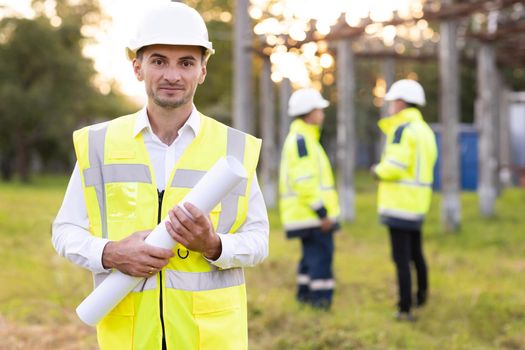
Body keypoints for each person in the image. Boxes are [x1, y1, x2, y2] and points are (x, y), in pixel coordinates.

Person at [51, 3, 269, 349]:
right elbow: (65, 231)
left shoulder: (233, 150)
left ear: (202, 70)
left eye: (186, 62)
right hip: (132, 334)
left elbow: (258, 240)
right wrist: (110, 253)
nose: (172, 75)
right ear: (137, 67)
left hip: (208, 337)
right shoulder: (99, 144)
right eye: (158, 61)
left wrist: (214, 245)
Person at [371, 79, 438, 321]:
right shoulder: (425, 131)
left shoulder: (402, 129)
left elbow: (396, 166)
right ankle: (421, 297)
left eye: (392, 102)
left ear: (401, 102)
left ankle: (405, 309)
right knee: (416, 254)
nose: (390, 107)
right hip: (418, 203)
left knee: (401, 259)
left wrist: (377, 170)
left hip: (399, 204)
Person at [278, 88, 340, 310]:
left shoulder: (303, 139)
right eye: (319, 110)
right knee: (321, 259)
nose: (322, 114)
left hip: (306, 214)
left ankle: (304, 297)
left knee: (309, 259)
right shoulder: (302, 141)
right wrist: (322, 212)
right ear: (309, 113)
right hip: (312, 215)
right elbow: (304, 181)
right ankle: (320, 304)